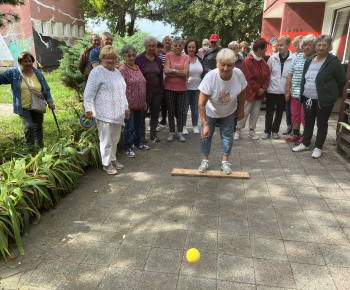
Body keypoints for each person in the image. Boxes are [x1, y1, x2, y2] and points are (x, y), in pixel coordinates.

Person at [292, 35, 346, 158]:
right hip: (308, 97)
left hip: (324, 100)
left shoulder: (334, 61)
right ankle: (305, 143)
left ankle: (318, 147)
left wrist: (329, 90)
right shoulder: (310, 60)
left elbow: (342, 80)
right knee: (308, 121)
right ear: (315, 46)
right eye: (319, 45)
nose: (321, 48)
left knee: (321, 123)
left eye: (324, 45)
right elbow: (304, 78)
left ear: (329, 47)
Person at [198, 49, 247, 174]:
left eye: (229, 65)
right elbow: (201, 103)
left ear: (234, 65)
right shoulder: (210, 78)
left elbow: (242, 92)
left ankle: (225, 162)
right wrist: (205, 124)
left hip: (229, 111)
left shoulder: (239, 75)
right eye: (222, 65)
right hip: (210, 111)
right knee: (206, 136)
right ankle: (205, 161)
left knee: (227, 136)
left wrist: (241, 110)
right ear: (217, 64)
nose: (226, 68)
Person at [84, 45, 129, 175]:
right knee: (106, 140)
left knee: (115, 139)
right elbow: (89, 92)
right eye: (108, 58)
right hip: (104, 112)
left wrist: (126, 107)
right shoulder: (96, 72)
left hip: (118, 112)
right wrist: (88, 109)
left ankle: (113, 159)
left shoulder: (117, 72)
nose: (111, 60)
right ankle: (106, 163)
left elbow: (123, 92)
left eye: (113, 58)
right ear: (102, 58)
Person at [0, 51, 55, 149]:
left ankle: (40, 148)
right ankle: (31, 149)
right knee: (29, 127)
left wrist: (50, 101)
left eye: (30, 61)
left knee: (38, 126)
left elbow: (46, 88)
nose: (28, 63)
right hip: (23, 106)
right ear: (20, 62)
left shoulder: (37, 73)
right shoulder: (13, 73)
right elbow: (1, 79)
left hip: (37, 104)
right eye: (25, 61)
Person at [235, 38, 271, 140]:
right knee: (244, 111)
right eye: (265, 49)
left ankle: (252, 130)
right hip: (249, 92)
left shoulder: (264, 62)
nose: (266, 51)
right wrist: (258, 89)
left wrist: (263, 88)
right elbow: (248, 78)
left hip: (260, 94)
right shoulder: (247, 61)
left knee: (255, 112)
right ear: (259, 49)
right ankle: (238, 130)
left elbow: (268, 76)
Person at [285, 34, 316, 145]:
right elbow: (290, 74)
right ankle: (296, 134)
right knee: (295, 115)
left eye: (310, 45)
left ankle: (306, 137)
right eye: (305, 45)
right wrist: (287, 91)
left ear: (314, 47)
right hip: (294, 93)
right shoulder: (298, 56)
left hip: (307, 94)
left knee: (305, 116)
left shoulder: (315, 59)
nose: (307, 47)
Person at [263, 35, 295, 140]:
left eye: (282, 45)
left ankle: (275, 130)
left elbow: (293, 75)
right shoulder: (273, 58)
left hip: (284, 90)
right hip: (272, 89)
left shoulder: (293, 59)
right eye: (278, 45)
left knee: (280, 111)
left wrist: (289, 91)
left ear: (288, 45)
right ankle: (267, 131)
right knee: (269, 111)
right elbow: (267, 73)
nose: (279, 47)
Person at [119, 45, 149, 158]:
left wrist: (144, 100)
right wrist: (125, 106)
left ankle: (137, 143)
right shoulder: (123, 69)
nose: (131, 58)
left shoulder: (137, 67)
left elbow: (141, 84)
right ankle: (127, 147)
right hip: (129, 106)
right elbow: (121, 89)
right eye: (128, 56)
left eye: (133, 55)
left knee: (137, 125)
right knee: (129, 127)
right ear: (124, 57)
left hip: (140, 104)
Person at [135, 35, 164, 143]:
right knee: (142, 114)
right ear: (145, 46)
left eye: (153, 46)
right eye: (149, 46)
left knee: (155, 113)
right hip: (144, 92)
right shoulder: (139, 58)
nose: (152, 48)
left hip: (156, 91)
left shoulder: (158, 59)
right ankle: (142, 135)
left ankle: (153, 134)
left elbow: (160, 75)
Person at [163, 37, 190, 142]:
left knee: (180, 111)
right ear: (172, 46)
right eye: (176, 45)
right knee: (170, 111)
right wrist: (180, 71)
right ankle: (171, 132)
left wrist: (172, 71)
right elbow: (166, 71)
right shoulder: (168, 55)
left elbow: (186, 73)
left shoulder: (186, 57)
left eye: (180, 45)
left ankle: (179, 132)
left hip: (182, 89)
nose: (178, 47)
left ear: (183, 47)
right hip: (169, 88)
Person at [283, 35, 305, 135]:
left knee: (301, 112)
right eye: (296, 45)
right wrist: (287, 90)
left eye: (299, 44)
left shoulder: (306, 57)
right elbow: (289, 73)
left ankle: (300, 131)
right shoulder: (291, 57)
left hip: (302, 91)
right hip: (291, 87)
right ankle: (289, 127)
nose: (298, 47)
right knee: (290, 110)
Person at [183, 39, 204, 135]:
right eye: (189, 47)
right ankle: (183, 126)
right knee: (185, 108)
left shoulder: (200, 59)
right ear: (186, 48)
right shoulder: (183, 58)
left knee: (195, 108)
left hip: (197, 89)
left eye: (193, 47)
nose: (191, 49)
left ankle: (195, 126)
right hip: (185, 88)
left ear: (196, 48)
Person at [159, 35, 172, 127]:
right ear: (163, 42)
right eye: (165, 40)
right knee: (162, 101)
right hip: (160, 80)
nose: (167, 41)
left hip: (171, 79)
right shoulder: (159, 53)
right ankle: (164, 118)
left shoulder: (173, 53)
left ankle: (172, 119)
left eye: (169, 40)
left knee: (170, 100)